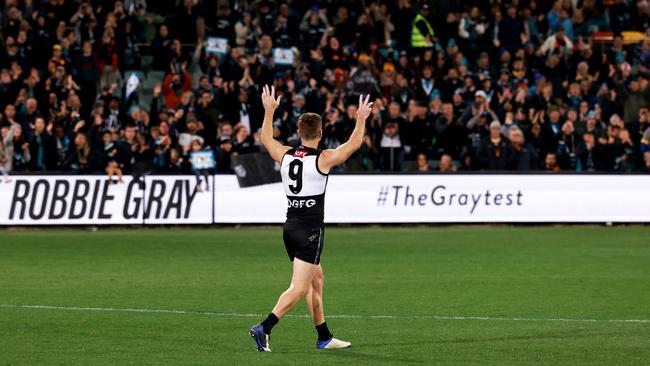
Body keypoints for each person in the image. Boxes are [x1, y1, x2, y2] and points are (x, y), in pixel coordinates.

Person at [249, 85, 373, 352]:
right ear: (320, 133)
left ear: (298, 132)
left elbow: (266, 139)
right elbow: (354, 144)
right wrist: (361, 118)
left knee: (316, 280)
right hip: (310, 231)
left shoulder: (285, 154)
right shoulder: (323, 159)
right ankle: (264, 327)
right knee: (299, 287)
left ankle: (324, 336)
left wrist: (269, 111)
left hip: (290, 227)